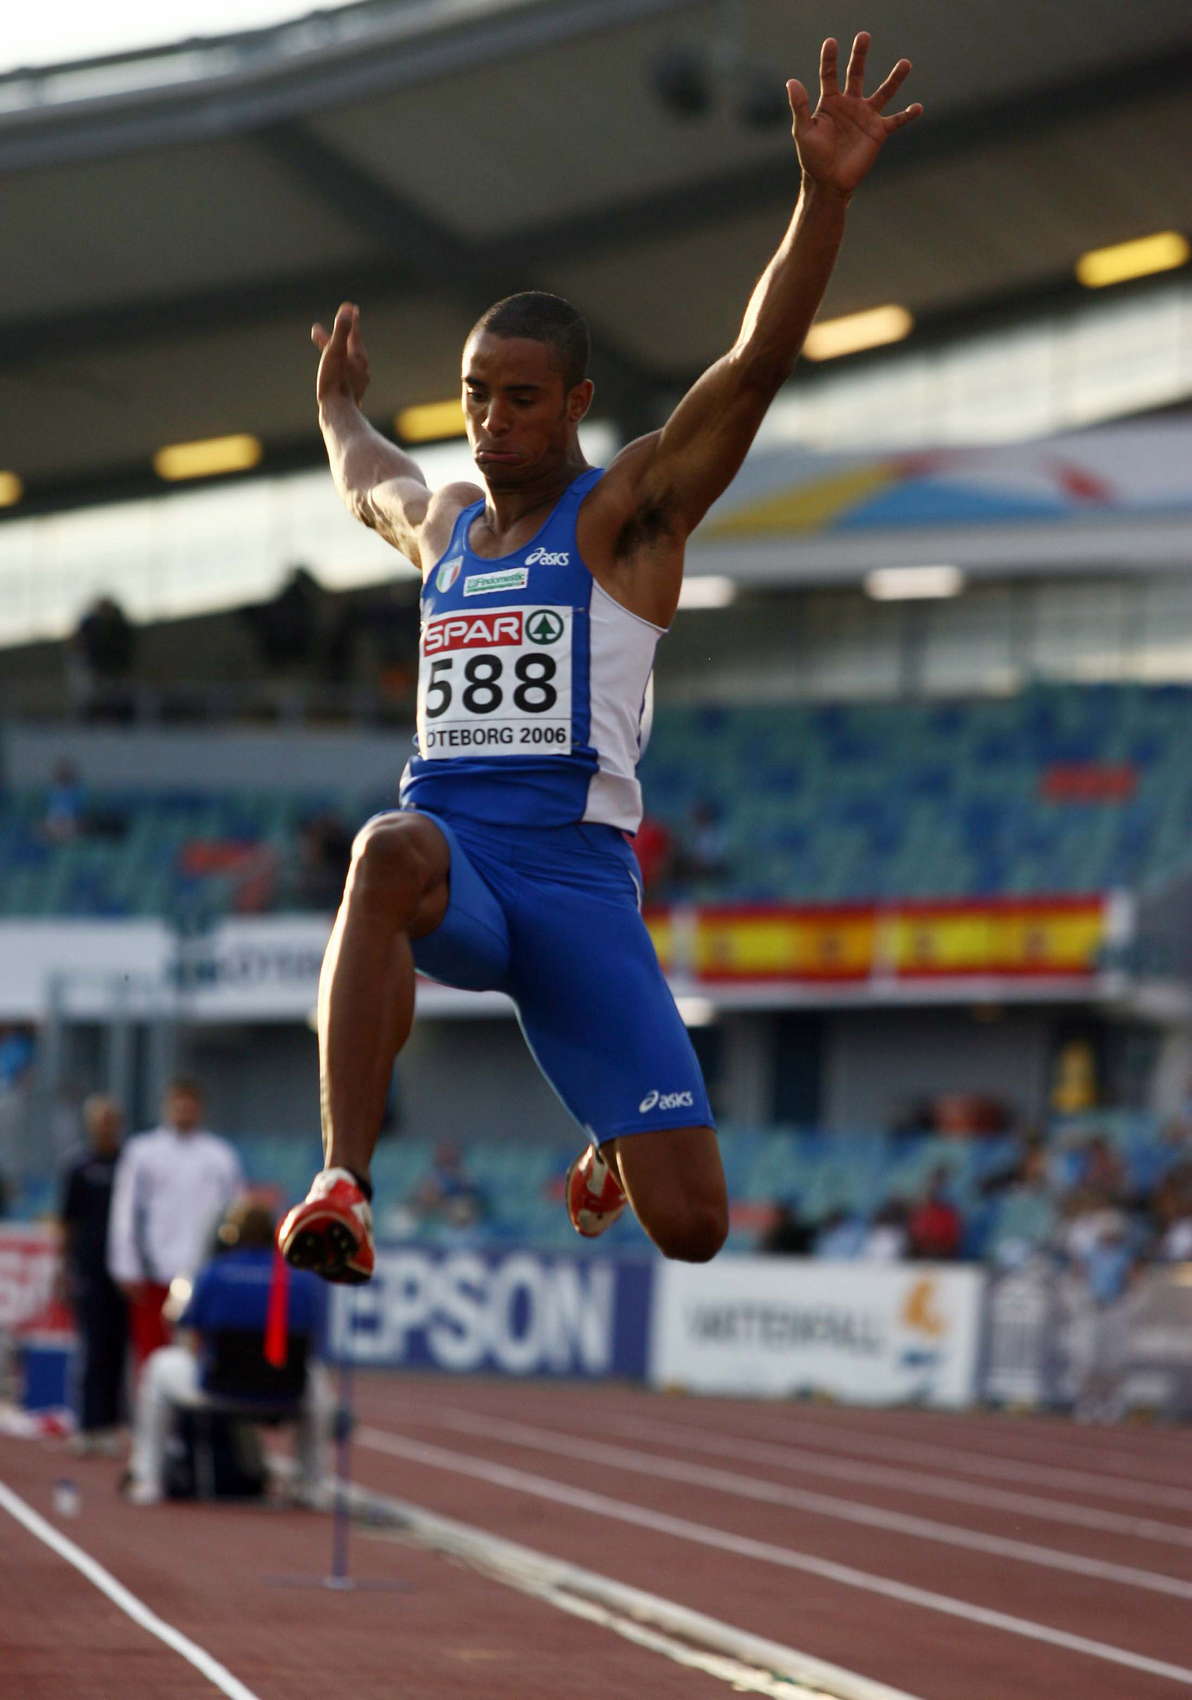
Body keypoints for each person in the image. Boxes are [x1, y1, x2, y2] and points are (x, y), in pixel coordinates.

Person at [279, 34, 921, 1285]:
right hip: (456, 862)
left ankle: (615, 1144)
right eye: (474, 394)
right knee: (382, 847)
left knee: (694, 1225)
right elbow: (368, 481)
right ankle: (344, 1183)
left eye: (520, 397)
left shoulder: (628, 518)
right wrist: (336, 406)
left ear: (573, 402)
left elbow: (752, 369)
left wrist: (822, 199)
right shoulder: (445, 527)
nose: (490, 420)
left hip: (577, 890)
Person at [125, 1198, 330, 1505]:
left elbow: (185, 1329)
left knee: (158, 1367)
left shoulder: (213, 1274)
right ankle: (312, 1486)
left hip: (217, 1389)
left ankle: (147, 1480)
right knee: (319, 1386)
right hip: (286, 1391)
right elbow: (313, 1341)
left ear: (231, 1235)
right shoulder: (302, 1281)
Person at [107, 1078, 243, 1367]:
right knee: (153, 1357)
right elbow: (125, 1210)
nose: (184, 1112)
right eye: (178, 1106)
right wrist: (126, 1266)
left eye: (189, 1107)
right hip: (155, 1270)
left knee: (201, 1356)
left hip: (204, 1272)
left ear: (200, 1109)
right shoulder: (142, 1152)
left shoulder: (220, 1156)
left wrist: (230, 1265)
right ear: (167, 1107)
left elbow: (236, 1213)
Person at [56, 1094, 129, 1454]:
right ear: (90, 1125)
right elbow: (66, 1221)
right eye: (100, 1121)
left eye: (110, 1121)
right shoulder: (78, 1166)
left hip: (125, 1269)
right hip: (89, 1266)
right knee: (91, 1346)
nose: (105, 1128)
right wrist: (62, 1267)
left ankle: (111, 1425)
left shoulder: (130, 1163)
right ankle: (86, 1424)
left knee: (117, 1347)